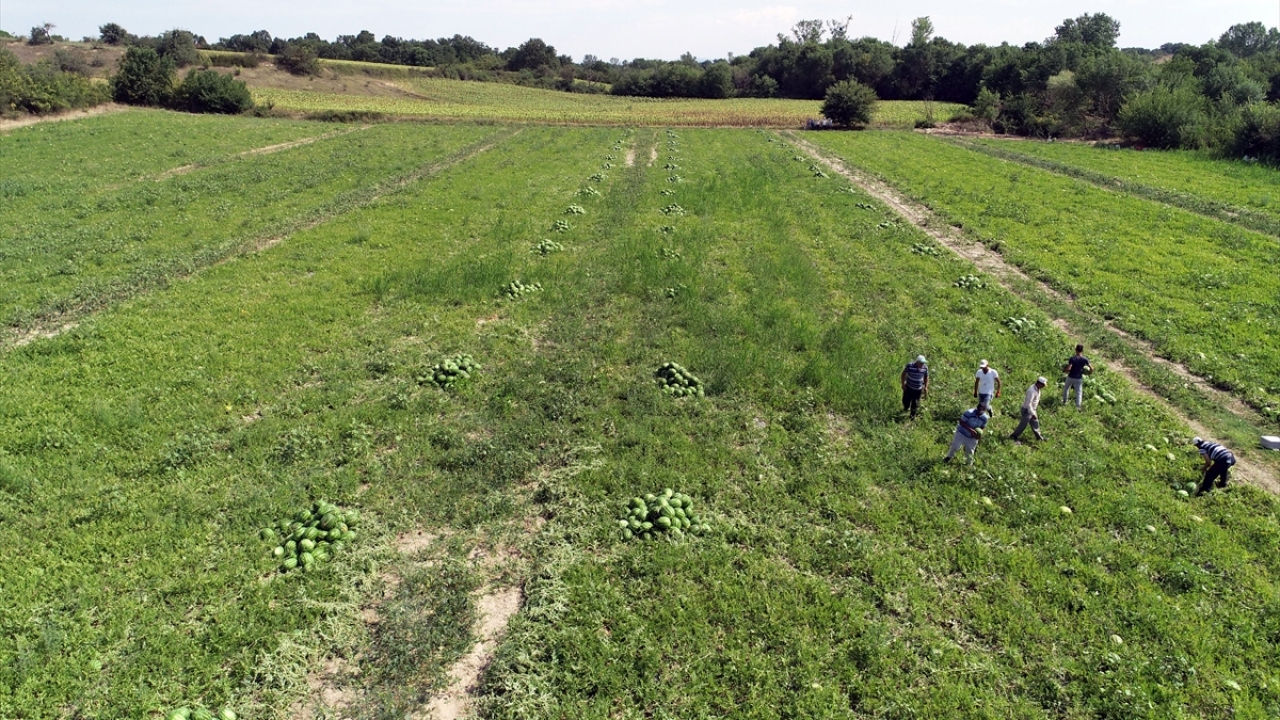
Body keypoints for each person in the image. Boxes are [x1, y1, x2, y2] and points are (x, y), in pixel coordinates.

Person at [944, 401, 991, 465]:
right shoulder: (969, 412)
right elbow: (962, 422)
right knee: (955, 447)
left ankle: (968, 465)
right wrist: (970, 430)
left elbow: (982, 427)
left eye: (983, 410)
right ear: (977, 408)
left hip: (972, 437)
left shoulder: (985, 418)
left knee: (970, 451)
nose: (980, 412)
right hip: (962, 433)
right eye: (980, 409)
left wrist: (978, 435)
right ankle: (948, 458)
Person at [1010, 376, 1047, 442]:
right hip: (1027, 410)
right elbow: (1028, 403)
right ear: (1039, 383)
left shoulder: (1037, 389)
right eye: (1043, 385)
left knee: (1035, 424)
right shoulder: (1031, 391)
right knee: (1023, 425)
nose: (1044, 386)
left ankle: (1039, 438)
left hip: (1032, 410)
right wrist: (1032, 413)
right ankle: (1014, 436)